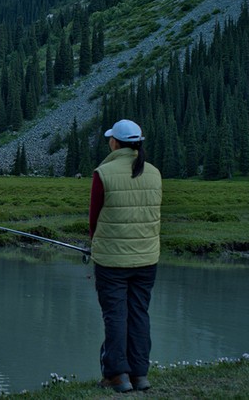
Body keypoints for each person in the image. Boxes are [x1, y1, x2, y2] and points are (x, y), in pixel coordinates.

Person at [89, 119, 162, 393]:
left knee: (115, 315)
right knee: (139, 313)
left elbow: (94, 219)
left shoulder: (103, 173)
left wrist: (95, 245)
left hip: (112, 261)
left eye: (110, 138)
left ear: (115, 143)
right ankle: (140, 375)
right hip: (147, 259)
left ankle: (117, 375)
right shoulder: (154, 173)